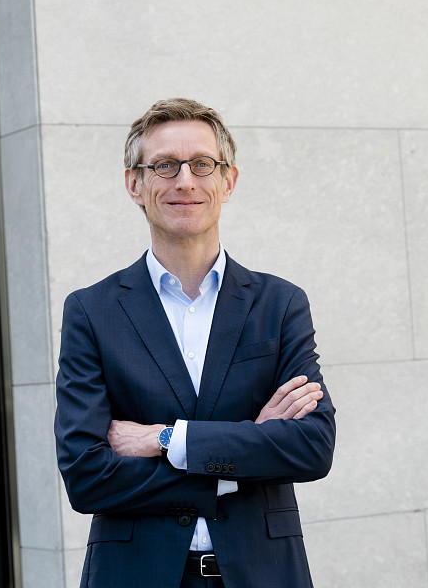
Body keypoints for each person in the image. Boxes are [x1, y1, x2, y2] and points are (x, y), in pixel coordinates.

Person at [55, 98, 336, 588]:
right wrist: (241, 455)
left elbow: (311, 446)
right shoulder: (92, 312)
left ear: (227, 181)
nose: (184, 181)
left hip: (263, 574)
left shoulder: (280, 304)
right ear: (135, 184)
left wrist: (165, 439)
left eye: (202, 164)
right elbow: (86, 475)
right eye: (164, 165)